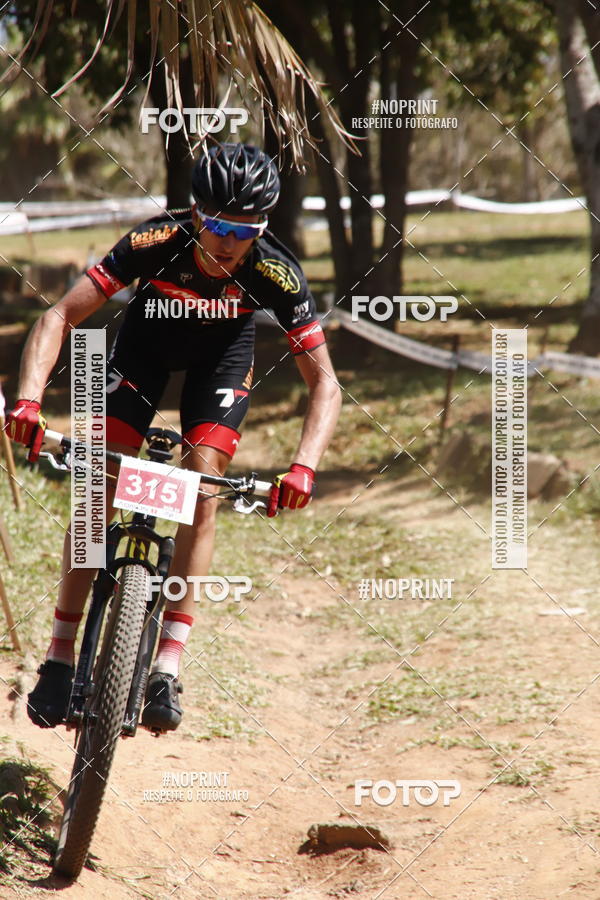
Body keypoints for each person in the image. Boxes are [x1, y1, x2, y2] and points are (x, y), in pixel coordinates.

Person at [5, 142, 341, 733]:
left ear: (262, 229)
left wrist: (304, 467)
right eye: (217, 226)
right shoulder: (155, 242)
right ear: (195, 213)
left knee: (203, 490)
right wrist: (29, 400)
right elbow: (59, 316)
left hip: (221, 363)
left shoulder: (276, 272)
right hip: (144, 351)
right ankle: (59, 655)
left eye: (244, 230)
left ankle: (167, 664)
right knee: (98, 489)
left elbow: (326, 385)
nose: (228, 242)